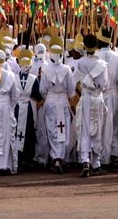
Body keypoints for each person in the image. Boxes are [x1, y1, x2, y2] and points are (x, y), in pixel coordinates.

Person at [38, 38, 76, 173]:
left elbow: (42, 89)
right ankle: (61, 157)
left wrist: (48, 96)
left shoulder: (45, 69)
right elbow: (72, 90)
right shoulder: (66, 69)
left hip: (51, 101)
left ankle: (57, 158)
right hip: (63, 101)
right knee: (63, 130)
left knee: (53, 130)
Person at [75, 34, 108, 177]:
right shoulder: (101, 64)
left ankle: (85, 160)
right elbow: (104, 84)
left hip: (85, 97)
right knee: (97, 129)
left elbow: (75, 81)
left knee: (84, 129)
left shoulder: (80, 62)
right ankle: (96, 162)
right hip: (97, 97)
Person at [95, 27, 118, 164]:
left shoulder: (95, 56)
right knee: (113, 125)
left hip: (99, 94)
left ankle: (101, 155)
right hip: (112, 94)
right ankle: (113, 153)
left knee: (100, 125)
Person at [14, 49, 43, 168]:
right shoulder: (33, 78)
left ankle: (19, 156)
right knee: (28, 131)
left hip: (17, 107)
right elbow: (37, 94)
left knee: (18, 131)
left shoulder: (14, 77)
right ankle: (27, 158)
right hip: (29, 108)